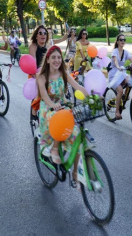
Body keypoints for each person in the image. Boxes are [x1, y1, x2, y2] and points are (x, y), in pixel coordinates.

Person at [35, 46, 88, 188]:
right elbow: (44, 96)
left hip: (62, 106)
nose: (57, 60)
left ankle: (75, 173)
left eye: (59, 57)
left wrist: (92, 96)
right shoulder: (41, 76)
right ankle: (54, 148)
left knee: (77, 135)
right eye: (53, 57)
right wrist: (53, 105)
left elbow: (77, 86)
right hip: (48, 108)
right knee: (57, 118)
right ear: (47, 60)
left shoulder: (64, 73)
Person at [108, 34, 132, 119]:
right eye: (121, 40)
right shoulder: (115, 51)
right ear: (117, 42)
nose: (123, 41)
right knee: (120, 90)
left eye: (124, 40)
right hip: (114, 75)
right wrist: (117, 66)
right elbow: (115, 60)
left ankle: (123, 97)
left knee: (130, 82)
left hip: (121, 73)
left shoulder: (125, 52)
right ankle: (117, 111)